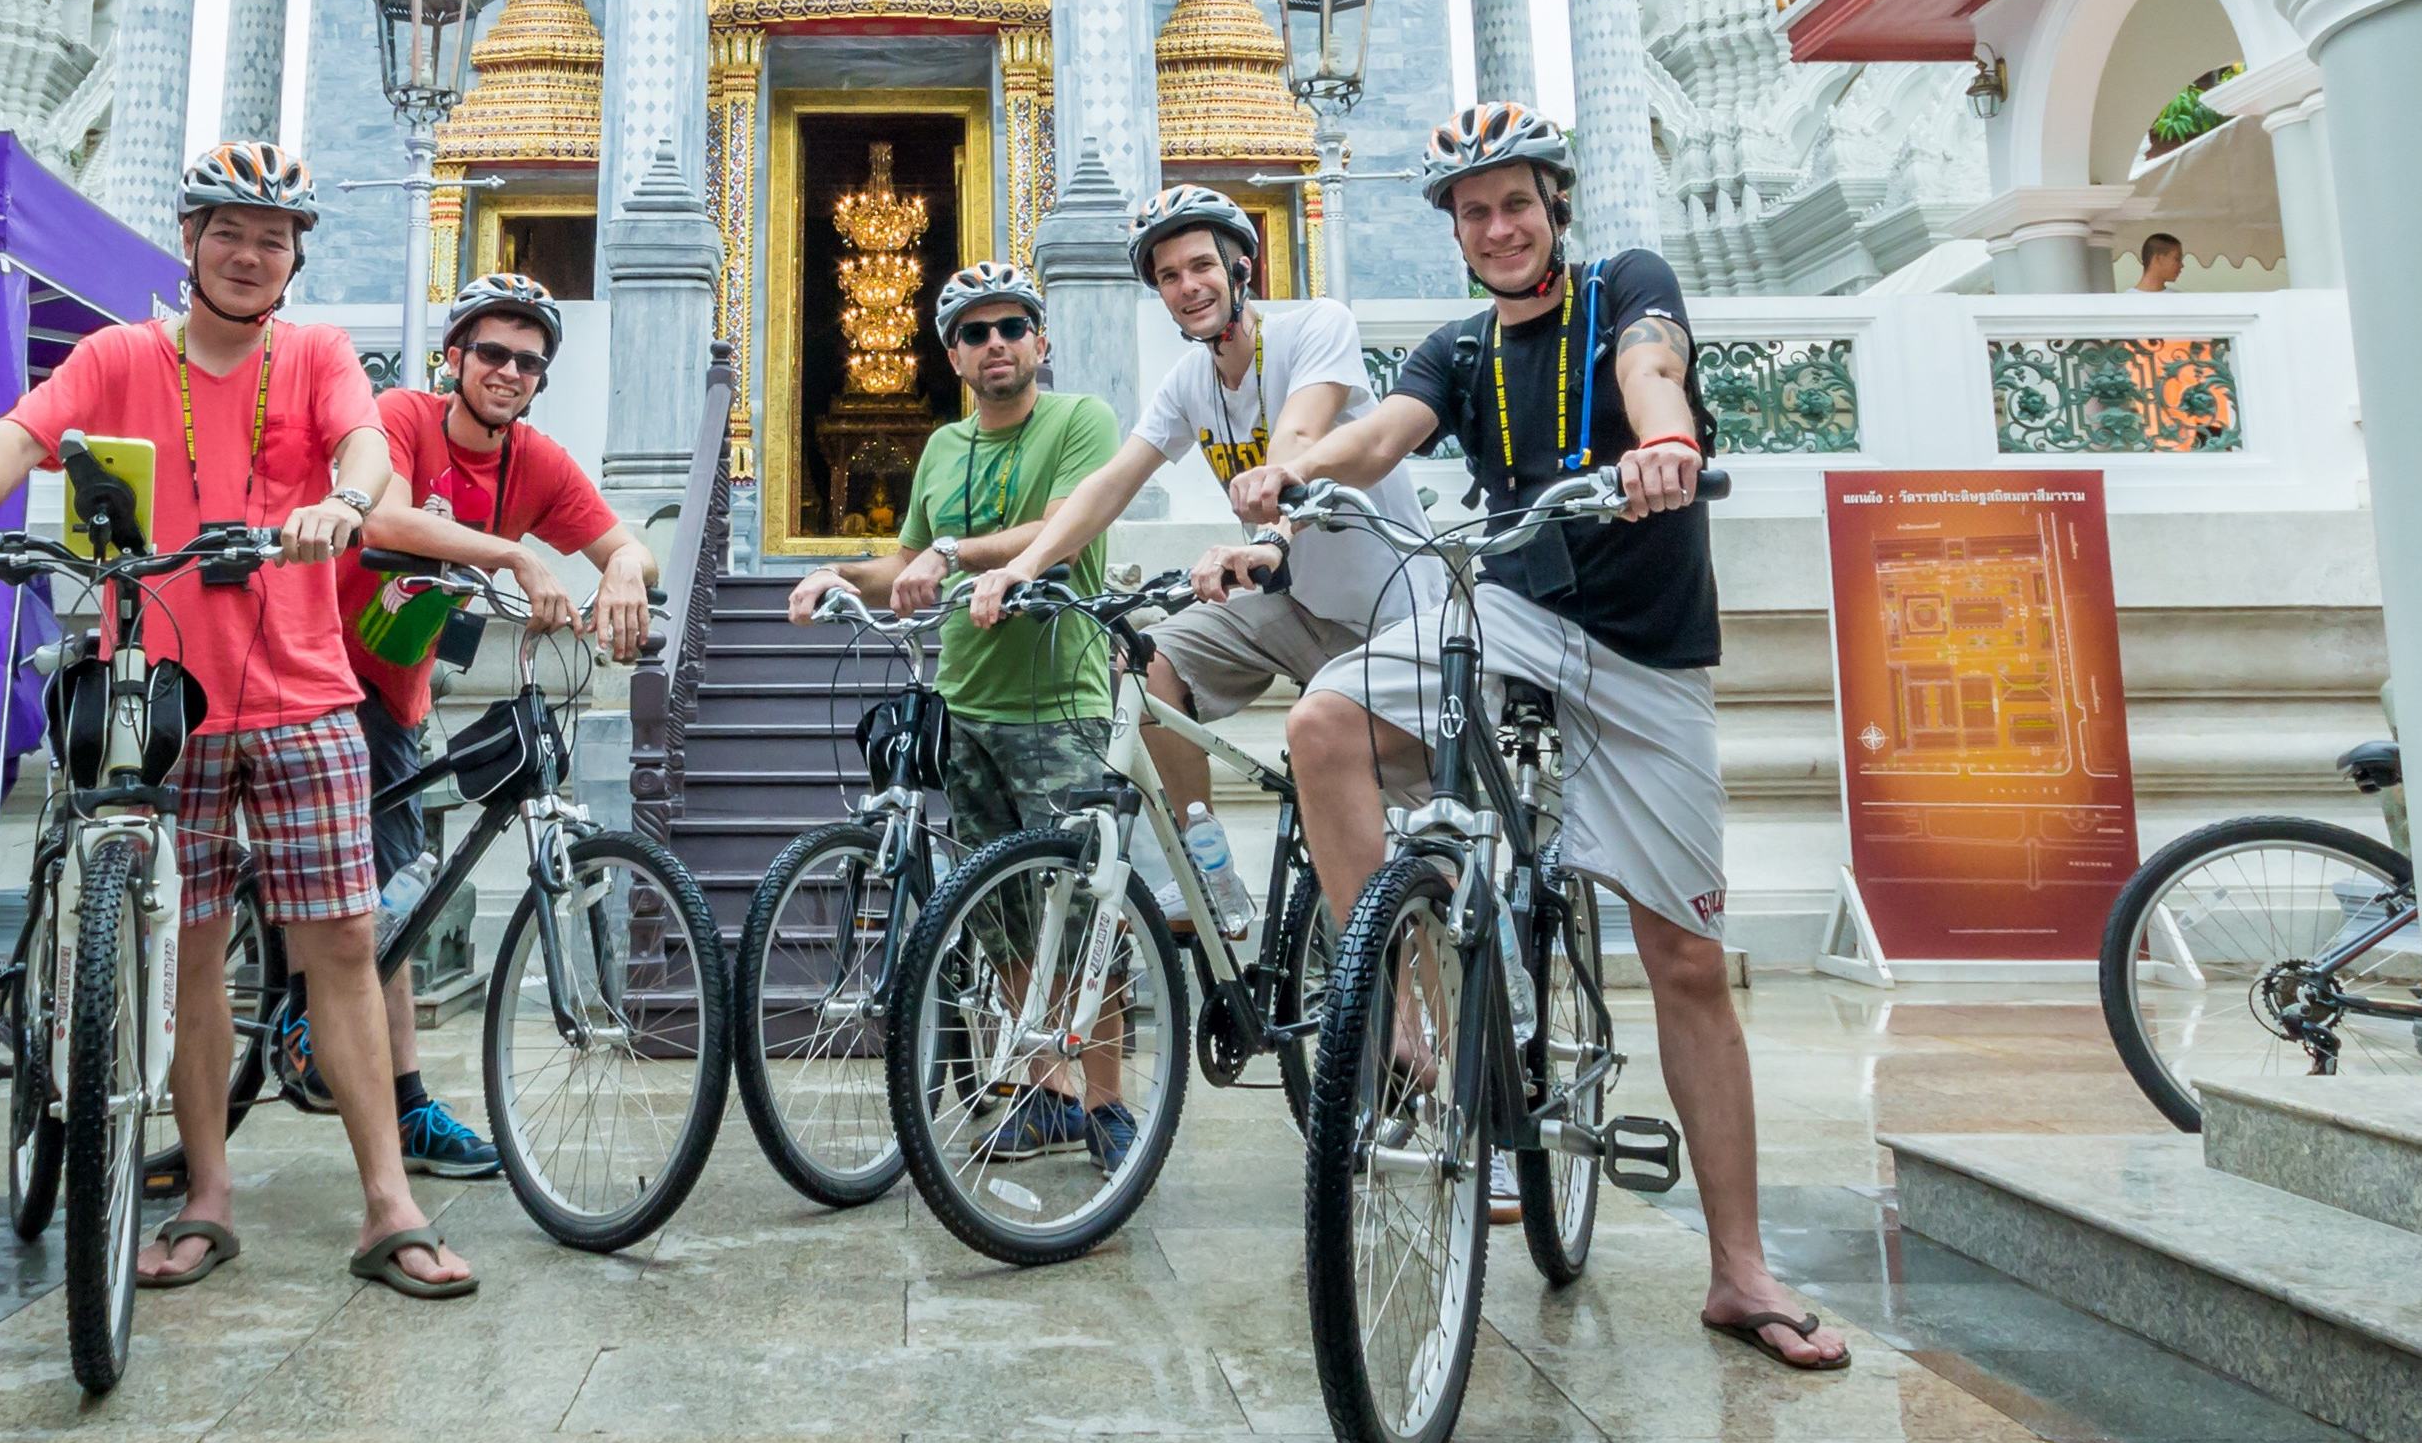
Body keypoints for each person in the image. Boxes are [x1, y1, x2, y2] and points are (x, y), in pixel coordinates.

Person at [1266, 104, 1849, 1370]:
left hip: (1648, 655)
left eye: (1515, 202)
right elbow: (1385, 437)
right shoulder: (1459, 352)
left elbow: (1654, 361)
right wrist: (1300, 469)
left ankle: (1739, 1270)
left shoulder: (1625, 288)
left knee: (1685, 959)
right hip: (1517, 614)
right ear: (1456, 234)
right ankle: (1402, 1004)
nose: (1498, 226)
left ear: (1554, 206)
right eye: (1474, 212)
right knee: (1324, 720)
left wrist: (1669, 444)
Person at [0, 143, 472, 1300]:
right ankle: (207, 1192)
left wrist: (346, 504)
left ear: (296, 259)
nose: (249, 255)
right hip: (159, 698)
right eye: (228, 233)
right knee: (189, 949)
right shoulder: (117, 356)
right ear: (190, 241)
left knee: (343, 946)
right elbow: (20, 434)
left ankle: (387, 1202)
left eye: (272, 239)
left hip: (306, 694)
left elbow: (362, 440)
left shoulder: (311, 358)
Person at [966, 187, 1433, 934]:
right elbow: (1112, 481)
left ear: (1241, 266)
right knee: (1143, 662)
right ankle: (1205, 863)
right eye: (1168, 277)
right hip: (1295, 607)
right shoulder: (1189, 384)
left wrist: (1269, 532)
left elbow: (1299, 439)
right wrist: (1025, 564)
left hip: (1391, 614)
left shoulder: (1316, 326)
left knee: (1412, 850)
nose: (1187, 287)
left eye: (1200, 266)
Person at [305, 271, 658, 1180]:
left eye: (528, 362)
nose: (509, 371)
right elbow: (372, 509)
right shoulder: (402, 416)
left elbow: (622, 538)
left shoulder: (532, 461)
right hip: (308, 666)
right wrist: (510, 550)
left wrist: (621, 570)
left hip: (391, 687)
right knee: (361, 891)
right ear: (454, 356)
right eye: (492, 352)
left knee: (401, 898)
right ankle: (341, 1075)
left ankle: (403, 1099)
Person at [780, 262, 1130, 1162]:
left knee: (1084, 902)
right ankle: (1042, 1087)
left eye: (1011, 326)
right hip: (966, 701)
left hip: (1061, 696)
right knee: (1004, 910)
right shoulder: (941, 448)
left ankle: (1106, 1097)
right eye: (974, 333)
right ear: (953, 356)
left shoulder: (1078, 421)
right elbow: (901, 562)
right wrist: (834, 572)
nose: (995, 344)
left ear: (1039, 342)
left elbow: (1062, 526)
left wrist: (947, 548)